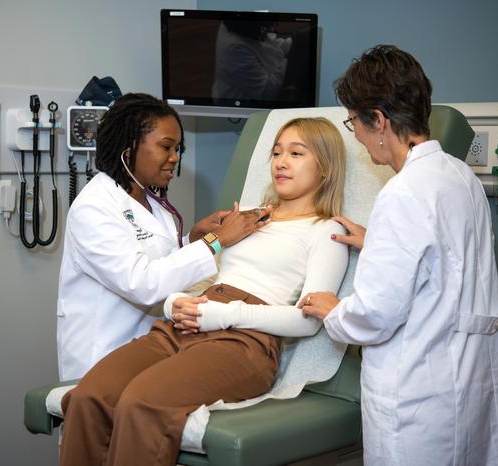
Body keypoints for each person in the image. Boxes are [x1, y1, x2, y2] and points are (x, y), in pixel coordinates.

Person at [59, 117, 349, 466]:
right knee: (89, 396)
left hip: (243, 342)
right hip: (186, 324)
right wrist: (174, 304)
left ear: (326, 168)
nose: (281, 162)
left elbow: (309, 322)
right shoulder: (249, 219)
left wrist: (226, 314)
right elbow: (192, 275)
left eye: (296, 153)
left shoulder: (325, 231)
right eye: (276, 152)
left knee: (141, 402)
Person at [301, 45, 498, 466]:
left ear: (378, 120)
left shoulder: (400, 193)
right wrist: (379, 242)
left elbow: (375, 316)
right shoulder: (459, 176)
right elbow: (447, 258)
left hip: (420, 397)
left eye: (354, 124)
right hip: (470, 383)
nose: (358, 137)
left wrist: (332, 310)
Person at [56, 93, 271, 381]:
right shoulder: (93, 207)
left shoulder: (152, 203)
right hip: (102, 354)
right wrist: (217, 241)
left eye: (178, 148)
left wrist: (191, 240)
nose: (175, 158)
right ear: (128, 146)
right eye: (166, 147)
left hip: (150, 350)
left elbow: (157, 257)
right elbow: (142, 283)